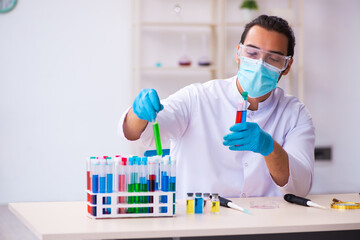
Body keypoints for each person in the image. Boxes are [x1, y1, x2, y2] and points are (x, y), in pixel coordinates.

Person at [119, 15, 315, 198]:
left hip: (263, 225)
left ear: (287, 66)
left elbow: (299, 187)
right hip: (199, 222)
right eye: (252, 53)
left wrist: (269, 147)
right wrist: (138, 113)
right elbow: (138, 133)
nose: (259, 64)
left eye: (273, 58)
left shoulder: (295, 114)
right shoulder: (198, 98)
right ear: (239, 53)